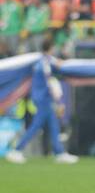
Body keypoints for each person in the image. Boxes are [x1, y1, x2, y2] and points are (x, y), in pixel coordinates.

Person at [4, 36, 77, 164]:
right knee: (36, 125)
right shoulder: (45, 63)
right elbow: (50, 80)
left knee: (53, 124)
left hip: (41, 97)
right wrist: (58, 99)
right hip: (44, 98)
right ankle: (16, 150)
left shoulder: (39, 61)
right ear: (51, 48)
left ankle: (59, 153)